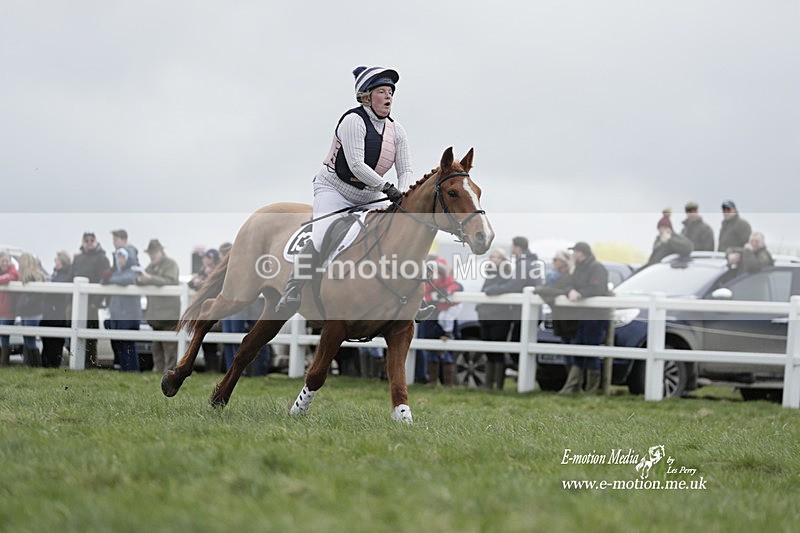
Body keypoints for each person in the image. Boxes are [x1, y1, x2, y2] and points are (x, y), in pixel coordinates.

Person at [275, 65, 415, 317]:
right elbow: (357, 165)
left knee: (392, 233)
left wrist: (402, 195)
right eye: (382, 91)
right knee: (320, 236)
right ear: (365, 96)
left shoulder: (398, 131)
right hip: (335, 189)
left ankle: (405, 293)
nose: (388, 96)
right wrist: (387, 187)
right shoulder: (353, 121)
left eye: (391, 92)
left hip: (370, 194)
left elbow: (406, 169)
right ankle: (293, 290)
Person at [560, 242, 611, 394]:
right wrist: (570, 291)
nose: (573, 255)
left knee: (591, 348)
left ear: (582, 253)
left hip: (596, 315)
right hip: (582, 315)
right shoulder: (579, 269)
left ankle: (591, 388)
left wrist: (579, 293)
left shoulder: (597, 268)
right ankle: (574, 387)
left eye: (575, 252)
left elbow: (597, 288)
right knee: (579, 347)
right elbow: (568, 284)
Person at [136, 239, 180, 373]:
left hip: (169, 315)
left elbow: (170, 281)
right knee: (157, 348)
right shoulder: (150, 267)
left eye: (154, 252)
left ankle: (171, 374)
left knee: (170, 349)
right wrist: (139, 280)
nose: (152, 255)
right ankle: (158, 372)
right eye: (150, 253)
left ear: (161, 251)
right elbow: (142, 278)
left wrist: (150, 279)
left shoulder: (170, 264)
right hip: (156, 316)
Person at [418, 258, 462, 387]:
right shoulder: (426, 280)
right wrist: (433, 296)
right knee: (431, 349)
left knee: (447, 348)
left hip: (444, 315)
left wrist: (446, 292)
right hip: (431, 317)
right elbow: (424, 293)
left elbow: (455, 286)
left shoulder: (447, 279)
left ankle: (448, 382)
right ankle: (432, 381)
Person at [71, 232, 111, 367]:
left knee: (90, 335)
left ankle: (91, 363)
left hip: (92, 303)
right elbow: (71, 277)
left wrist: (95, 303)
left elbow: (104, 280)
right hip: (77, 302)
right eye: (86, 240)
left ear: (96, 242)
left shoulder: (102, 258)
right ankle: (78, 361)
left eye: (91, 240)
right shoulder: (77, 259)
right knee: (76, 331)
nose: (89, 243)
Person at [477, 248, 514, 390]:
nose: (494, 259)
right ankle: (488, 384)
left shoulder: (507, 274)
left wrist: (493, 290)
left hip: (500, 316)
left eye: (497, 257)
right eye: (492, 257)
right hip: (486, 315)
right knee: (488, 350)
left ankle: (498, 385)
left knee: (498, 350)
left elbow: (508, 288)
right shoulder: (489, 273)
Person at [106, 248, 142, 371]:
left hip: (129, 315)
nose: (120, 260)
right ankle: (125, 371)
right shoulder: (116, 271)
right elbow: (103, 281)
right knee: (119, 345)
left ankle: (132, 371)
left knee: (128, 345)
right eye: (118, 257)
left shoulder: (134, 270)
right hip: (117, 314)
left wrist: (109, 278)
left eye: (122, 257)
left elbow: (126, 279)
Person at [41, 251, 73, 368]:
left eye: (57, 259)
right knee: (47, 338)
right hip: (50, 311)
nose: (55, 261)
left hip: (57, 312)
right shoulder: (56, 274)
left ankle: (53, 364)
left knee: (55, 341)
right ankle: (46, 363)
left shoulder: (65, 275)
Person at [16, 252, 46, 367]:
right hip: (27, 311)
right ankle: (30, 363)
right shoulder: (27, 274)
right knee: (27, 337)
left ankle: (35, 364)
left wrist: (25, 304)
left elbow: (37, 295)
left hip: (33, 311)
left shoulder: (33, 275)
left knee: (30, 338)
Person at [0, 250, 20, 367]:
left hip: (8, 311)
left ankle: (4, 362)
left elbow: (13, 276)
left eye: (7, 260)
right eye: (3, 260)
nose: (5, 263)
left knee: (4, 336)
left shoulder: (13, 271)